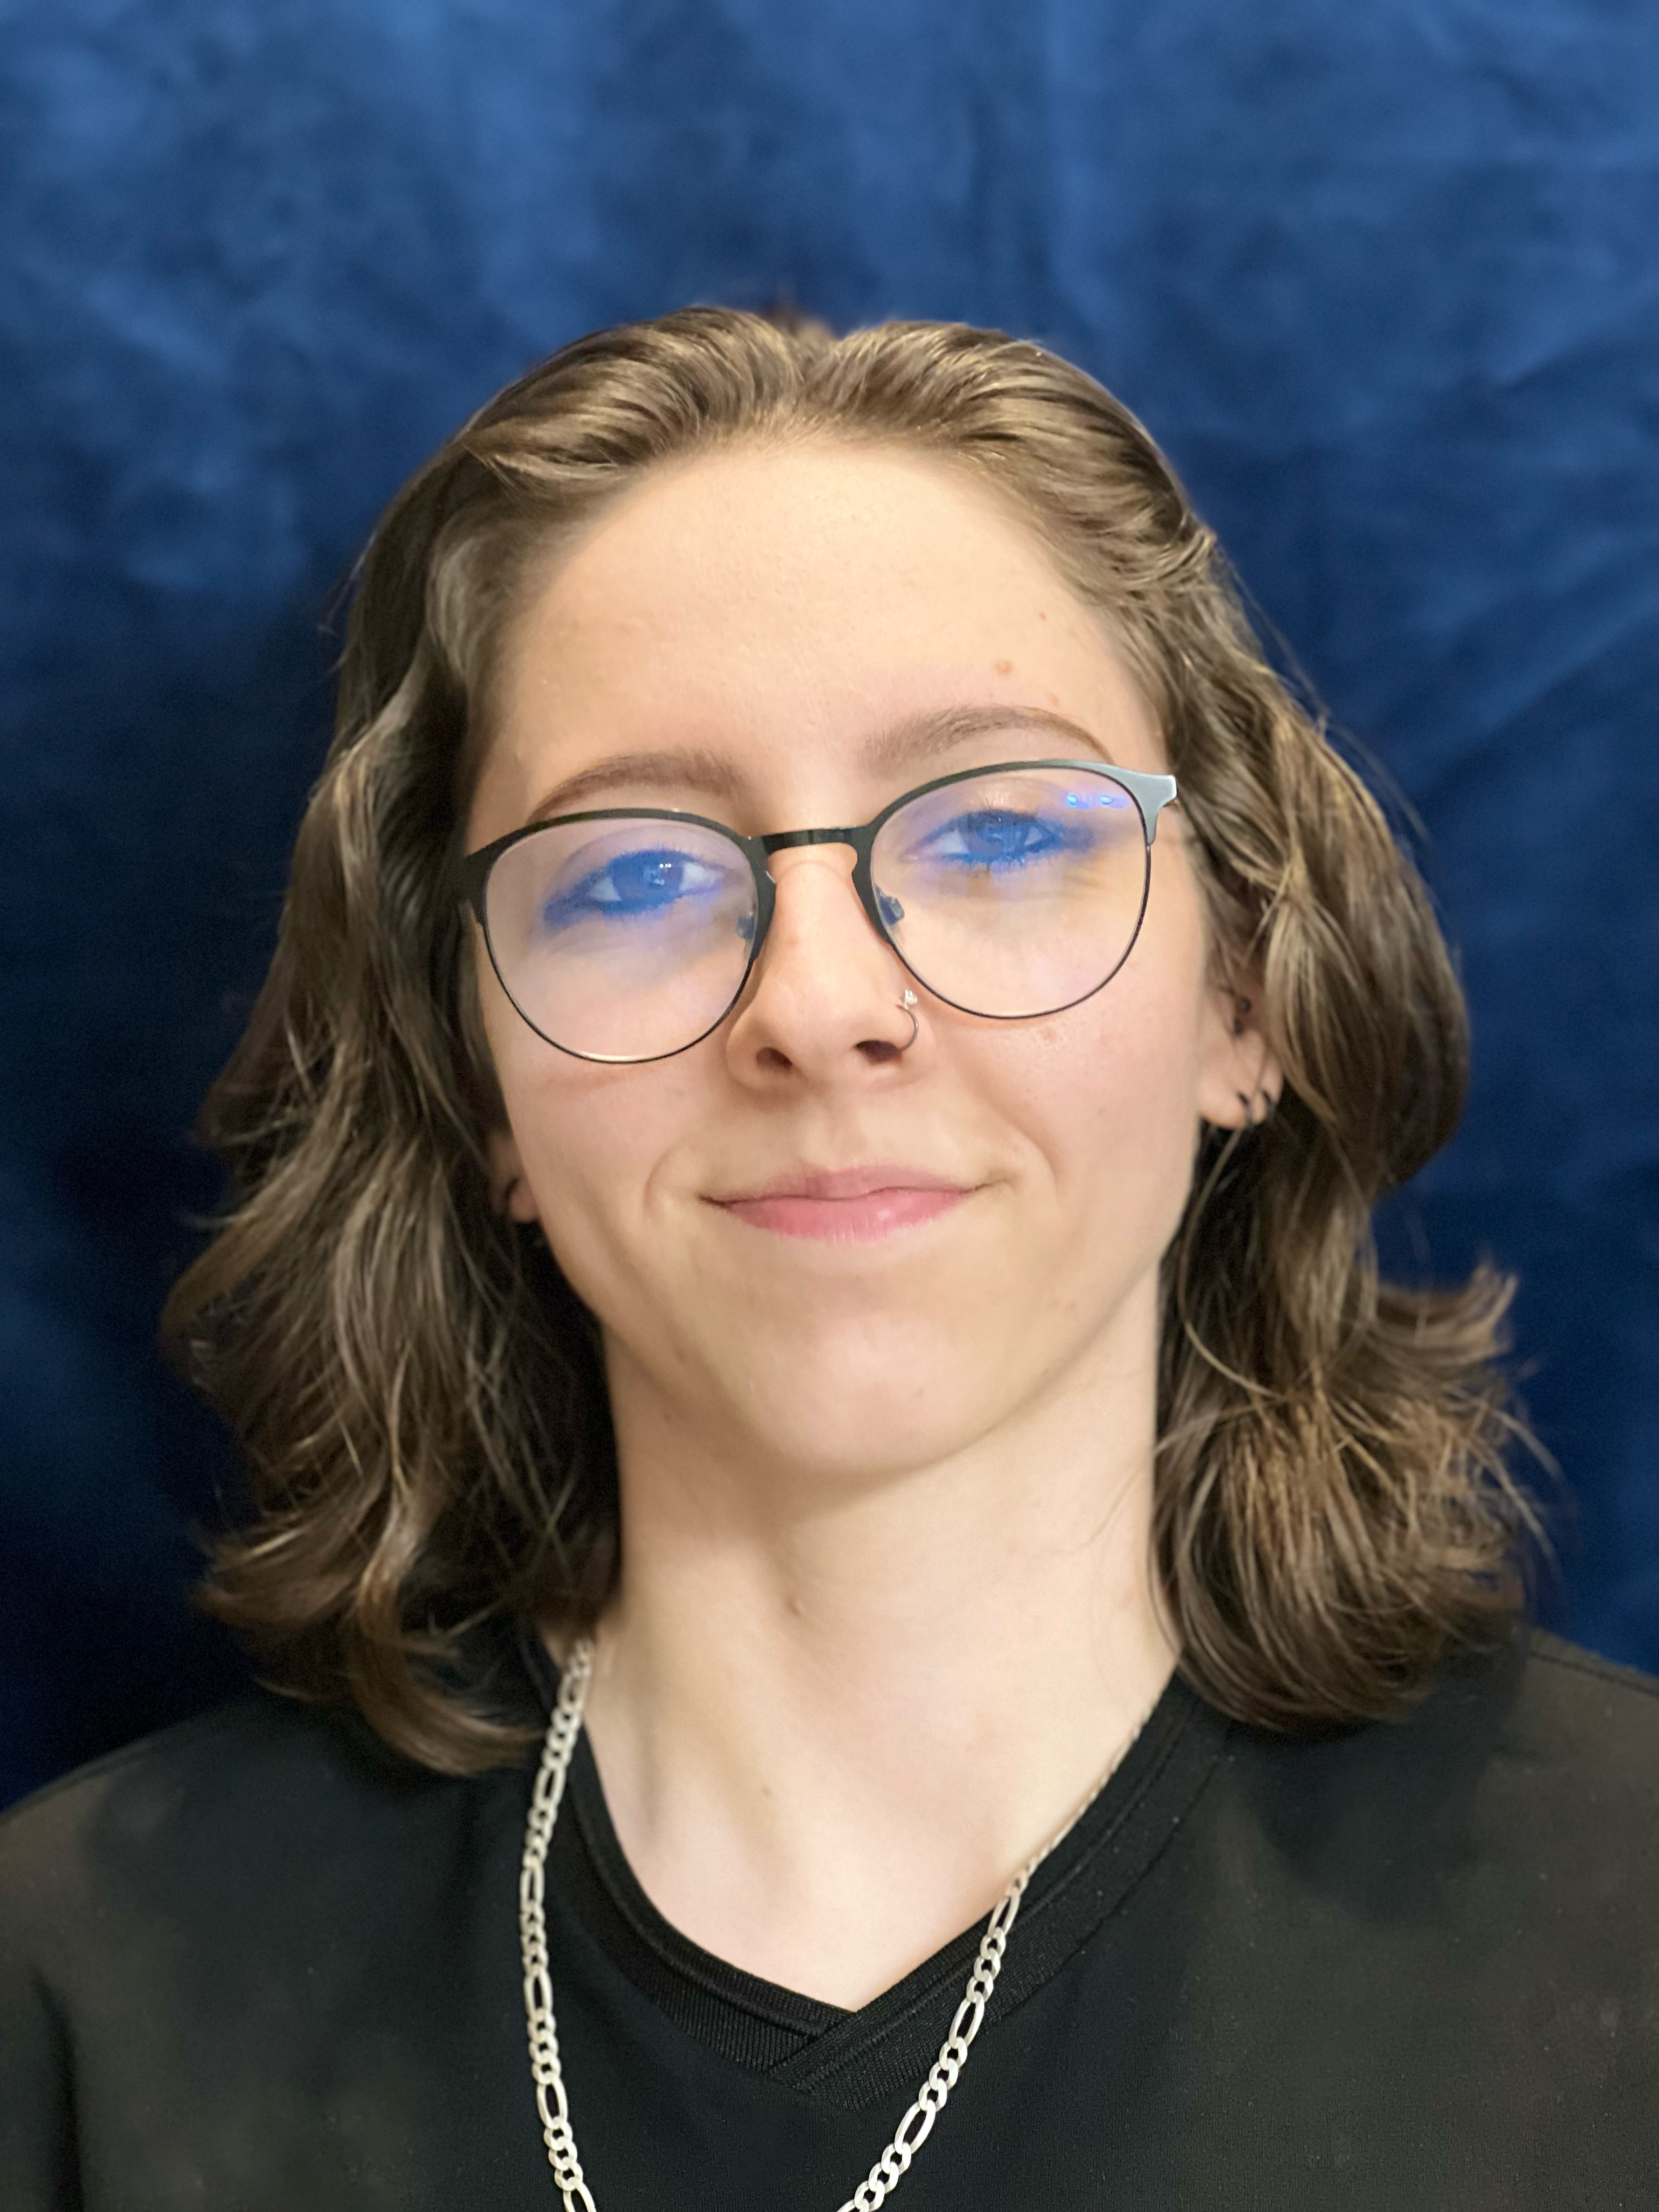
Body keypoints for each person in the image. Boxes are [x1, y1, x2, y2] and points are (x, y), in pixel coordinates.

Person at [1, 307, 1654, 2211]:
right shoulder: (83, 2006)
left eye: (1000, 832)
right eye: (630, 870)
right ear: (473, 1084)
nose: (816, 1003)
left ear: (1245, 994)